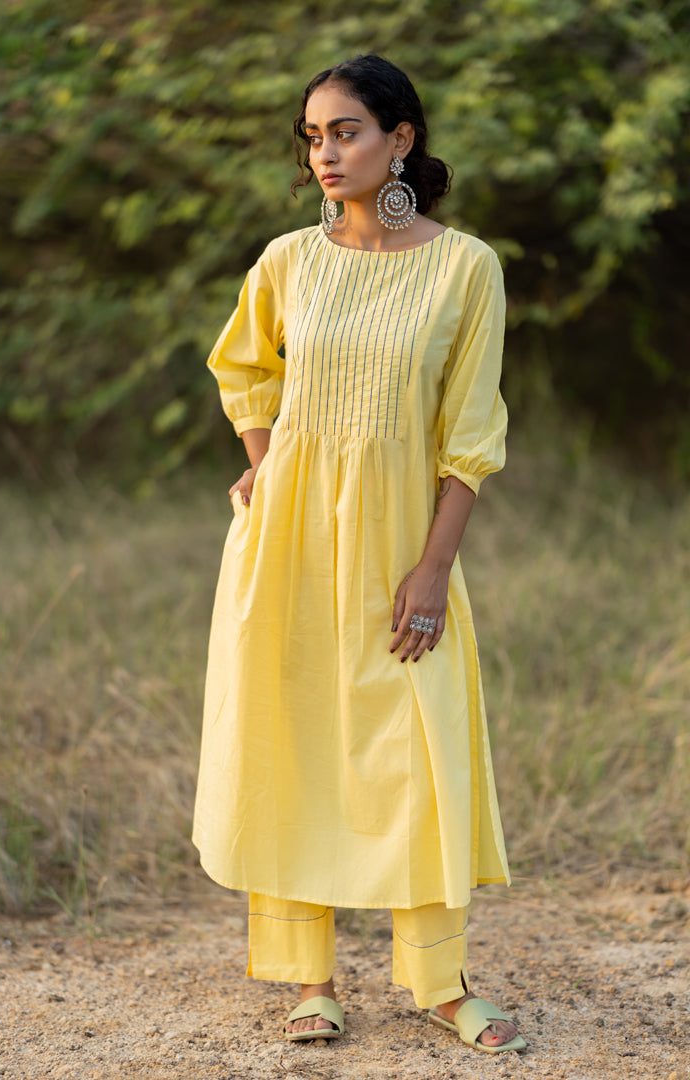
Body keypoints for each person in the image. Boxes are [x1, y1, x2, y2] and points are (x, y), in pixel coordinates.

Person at [193, 54, 526, 1055]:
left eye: (345, 131)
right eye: (313, 137)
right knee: (291, 740)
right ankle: (310, 979)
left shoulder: (465, 267)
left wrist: (434, 568)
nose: (325, 154)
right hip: (288, 544)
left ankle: (441, 983)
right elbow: (243, 367)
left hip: (400, 540)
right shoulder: (289, 260)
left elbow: (471, 431)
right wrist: (264, 464)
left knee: (420, 751)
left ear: (400, 138)